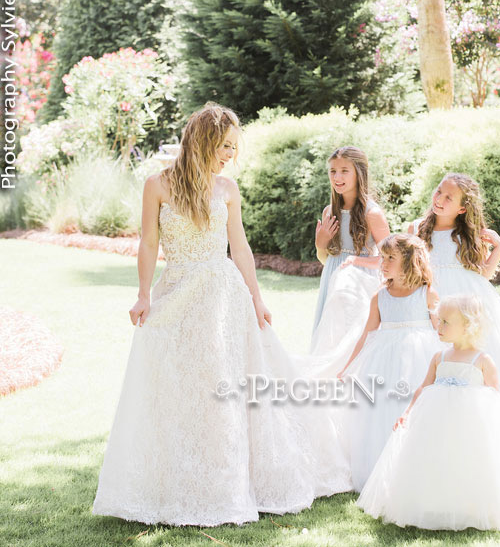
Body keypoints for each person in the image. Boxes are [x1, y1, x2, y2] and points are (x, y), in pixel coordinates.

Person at [92, 103, 352, 527]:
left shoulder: (227, 189)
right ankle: (177, 479)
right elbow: (147, 242)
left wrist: (257, 297)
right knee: (180, 384)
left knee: (224, 382)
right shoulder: (157, 185)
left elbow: (241, 248)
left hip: (223, 296)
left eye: (233, 146)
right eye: (225, 145)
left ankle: (227, 481)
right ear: (204, 141)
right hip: (176, 292)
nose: (230, 154)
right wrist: (142, 294)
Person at [357, 295, 500, 531]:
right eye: (439, 320)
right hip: (437, 422)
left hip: (471, 426)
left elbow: (496, 396)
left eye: (446, 322)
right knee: (438, 459)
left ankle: (472, 506)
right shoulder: (439, 357)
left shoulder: (482, 360)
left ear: (467, 326)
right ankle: (436, 502)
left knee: (469, 461)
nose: (439, 326)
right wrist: (407, 413)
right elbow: (423, 388)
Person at [409, 172, 500, 449]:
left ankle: (480, 428)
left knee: (477, 357)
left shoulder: (467, 234)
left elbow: (482, 275)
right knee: (430, 356)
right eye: (439, 192)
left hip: (468, 300)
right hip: (429, 299)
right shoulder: (417, 229)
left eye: (448, 197)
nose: (439, 199)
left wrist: (497, 247)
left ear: (462, 208)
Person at [336, 233, 445, 490]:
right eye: (382, 258)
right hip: (383, 360)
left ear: (409, 260)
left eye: (390, 258)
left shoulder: (426, 293)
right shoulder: (380, 296)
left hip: (419, 358)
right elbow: (367, 334)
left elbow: (440, 330)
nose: (383, 263)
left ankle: (415, 467)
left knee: (414, 409)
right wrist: (347, 367)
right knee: (381, 412)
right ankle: (380, 471)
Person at [310, 146, 389, 357]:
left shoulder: (372, 213)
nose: (337, 177)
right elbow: (325, 260)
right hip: (332, 276)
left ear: (359, 173)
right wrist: (320, 244)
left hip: (359, 281)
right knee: (329, 336)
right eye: (333, 171)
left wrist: (357, 261)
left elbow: (389, 261)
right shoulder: (330, 211)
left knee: (351, 338)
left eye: (344, 171)